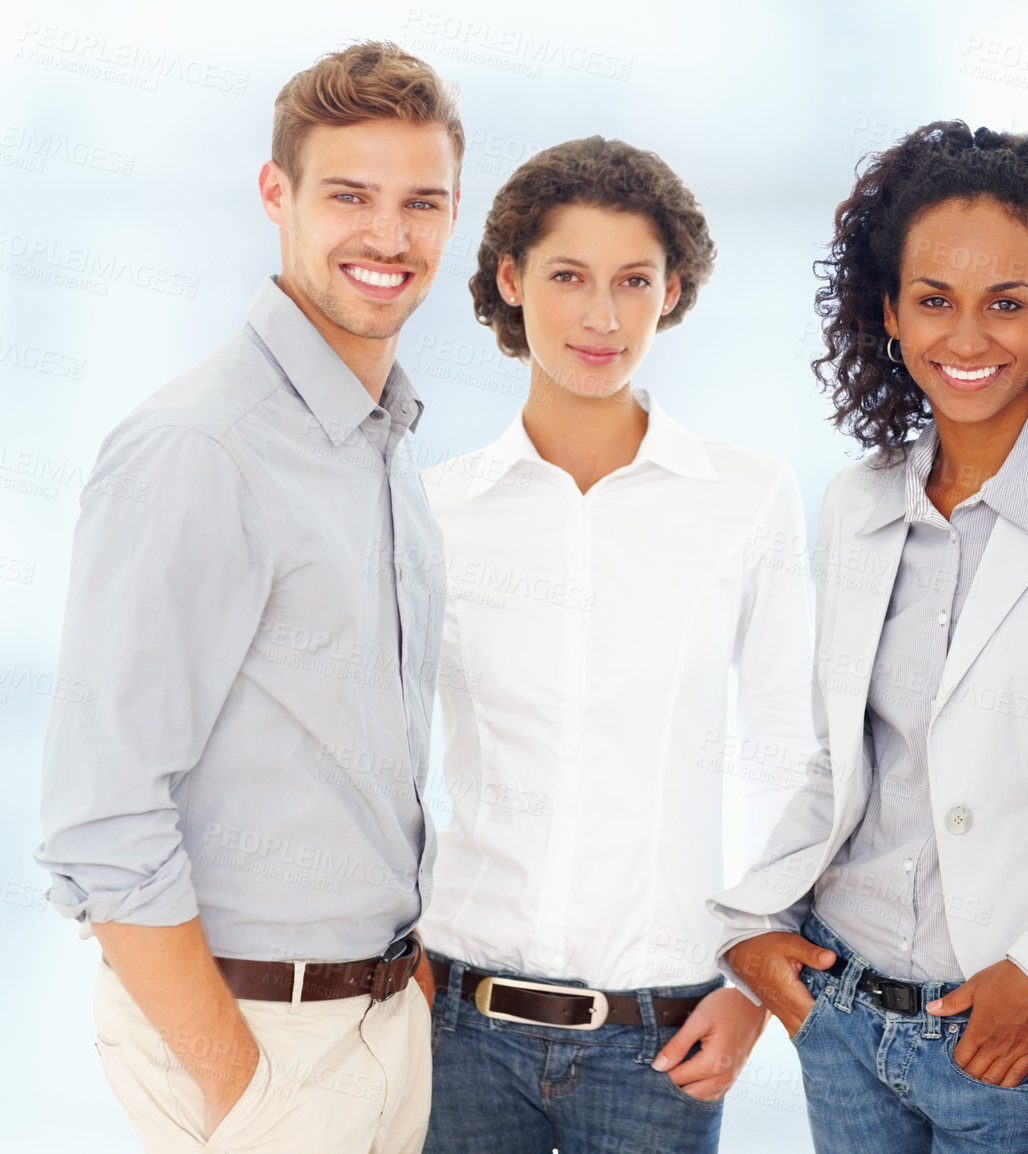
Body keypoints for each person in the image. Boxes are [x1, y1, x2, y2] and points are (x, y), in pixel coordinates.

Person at [35, 42, 462, 1154]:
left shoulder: (384, 443)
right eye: (349, 196)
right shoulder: (198, 450)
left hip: (375, 1023)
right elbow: (101, 816)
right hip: (256, 1041)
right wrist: (242, 1089)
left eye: (422, 201)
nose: (389, 235)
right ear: (276, 195)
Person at [712, 121, 1028, 1153]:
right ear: (887, 310)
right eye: (934, 300)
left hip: (1015, 1041)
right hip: (843, 1015)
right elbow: (843, 759)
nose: (967, 339)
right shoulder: (858, 501)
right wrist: (752, 928)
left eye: (1006, 302)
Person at [415, 136, 814, 1154]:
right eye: (567, 277)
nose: (602, 316)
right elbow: (377, 755)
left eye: (633, 281)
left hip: (663, 1033)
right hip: (452, 1025)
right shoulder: (437, 509)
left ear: (670, 289)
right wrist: (392, 959)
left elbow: (790, 758)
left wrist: (752, 986)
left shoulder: (747, 497)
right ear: (510, 279)